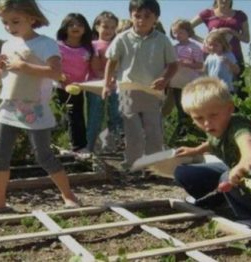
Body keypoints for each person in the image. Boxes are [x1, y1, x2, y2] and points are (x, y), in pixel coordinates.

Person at [0, 0, 80, 216]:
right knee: (0, 154)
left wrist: (24, 66)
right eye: (5, 22)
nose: (9, 27)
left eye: (15, 21)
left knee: (44, 156)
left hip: (35, 109)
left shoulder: (46, 44)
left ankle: (69, 195)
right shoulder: (8, 45)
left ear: (32, 18)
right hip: (8, 106)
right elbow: (9, 77)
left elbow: (56, 73)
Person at [174, 77, 251, 227]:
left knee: (227, 177)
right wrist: (195, 150)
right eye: (199, 118)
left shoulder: (238, 127)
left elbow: (249, 145)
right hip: (236, 169)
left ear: (229, 108)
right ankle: (218, 201)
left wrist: (243, 165)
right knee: (184, 173)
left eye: (213, 115)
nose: (207, 123)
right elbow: (213, 142)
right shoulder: (216, 126)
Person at [102, 0, 177, 171]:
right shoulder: (122, 38)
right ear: (131, 16)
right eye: (137, 16)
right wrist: (107, 84)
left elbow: (173, 65)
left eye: (147, 16)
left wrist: (164, 79)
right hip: (127, 91)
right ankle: (133, 164)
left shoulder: (162, 40)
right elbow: (111, 62)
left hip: (152, 91)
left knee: (154, 131)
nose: (141, 20)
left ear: (156, 18)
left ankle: (155, 166)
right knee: (133, 131)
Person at [191, 0, 250, 99]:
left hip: (234, 55)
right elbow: (187, 28)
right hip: (212, 56)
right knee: (211, 88)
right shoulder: (208, 13)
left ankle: (237, 113)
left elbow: (246, 39)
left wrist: (230, 31)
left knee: (238, 88)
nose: (224, 0)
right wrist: (204, 41)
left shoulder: (240, 15)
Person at [56, 13, 93, 156]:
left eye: (79, 24)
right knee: (61, 116)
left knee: (77, 116)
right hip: (59, 87)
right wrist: (62, 79)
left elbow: (93, 69)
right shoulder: (58, 46)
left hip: (78, 88)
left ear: (85, 29)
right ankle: (60, 145)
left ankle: (79, 147)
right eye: (71, 24)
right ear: (64, 28)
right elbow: (54, 66)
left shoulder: (88, 49)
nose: (75, 27)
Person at [86, 11, 121, 153]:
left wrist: (114, 79)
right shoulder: (92, 45)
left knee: (117, 116)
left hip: (116, 86)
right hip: (96, 85)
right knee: (95, 117)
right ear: (97, 27)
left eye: (113, 28)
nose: (109, 31)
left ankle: (117, 147)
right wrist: (108, 78)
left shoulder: (118, 44)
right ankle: (89, 148)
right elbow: (95, 68)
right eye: (106, 27)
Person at [169, 19, 204, 136]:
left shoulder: (194, 47)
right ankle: (183, 131)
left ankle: (193, 130)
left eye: (181, 32)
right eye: (175, 33)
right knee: (180, 108)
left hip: (190, 83)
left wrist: (185, 63)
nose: (177, 35)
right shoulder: (173, 48)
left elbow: (200, 65)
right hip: (176, 82)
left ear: (188, 32)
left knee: (190, 107)